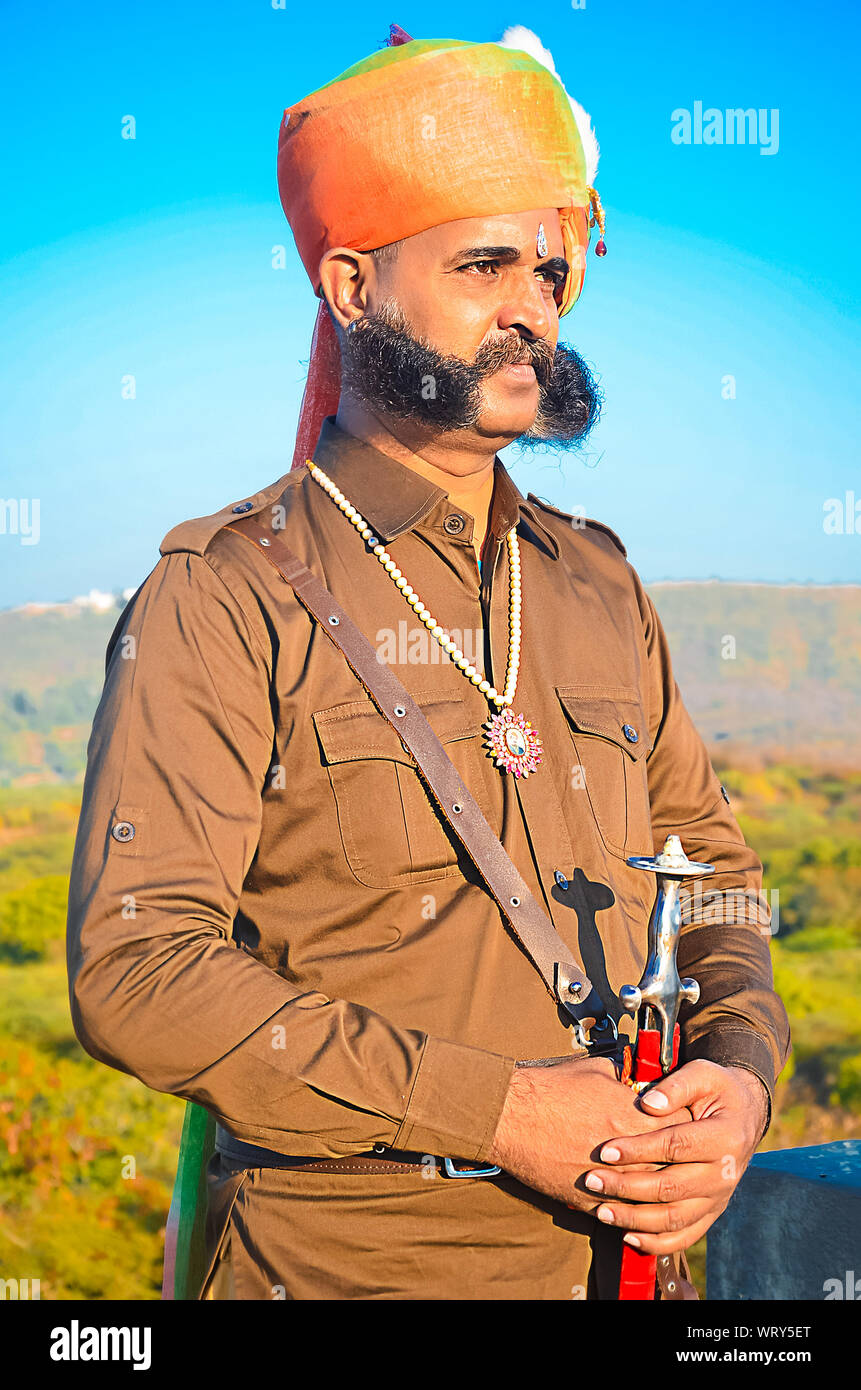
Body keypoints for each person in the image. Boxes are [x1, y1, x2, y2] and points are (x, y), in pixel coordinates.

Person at [66, 24, 790, 1301]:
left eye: (554, 272)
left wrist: (739, 1070)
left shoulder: (599, 584)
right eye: (485, 264)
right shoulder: (227, 592)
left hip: (636, 1279)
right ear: (351, 287)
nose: (534, 310)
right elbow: (140, 971)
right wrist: (500, 1111)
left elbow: (720, 877)